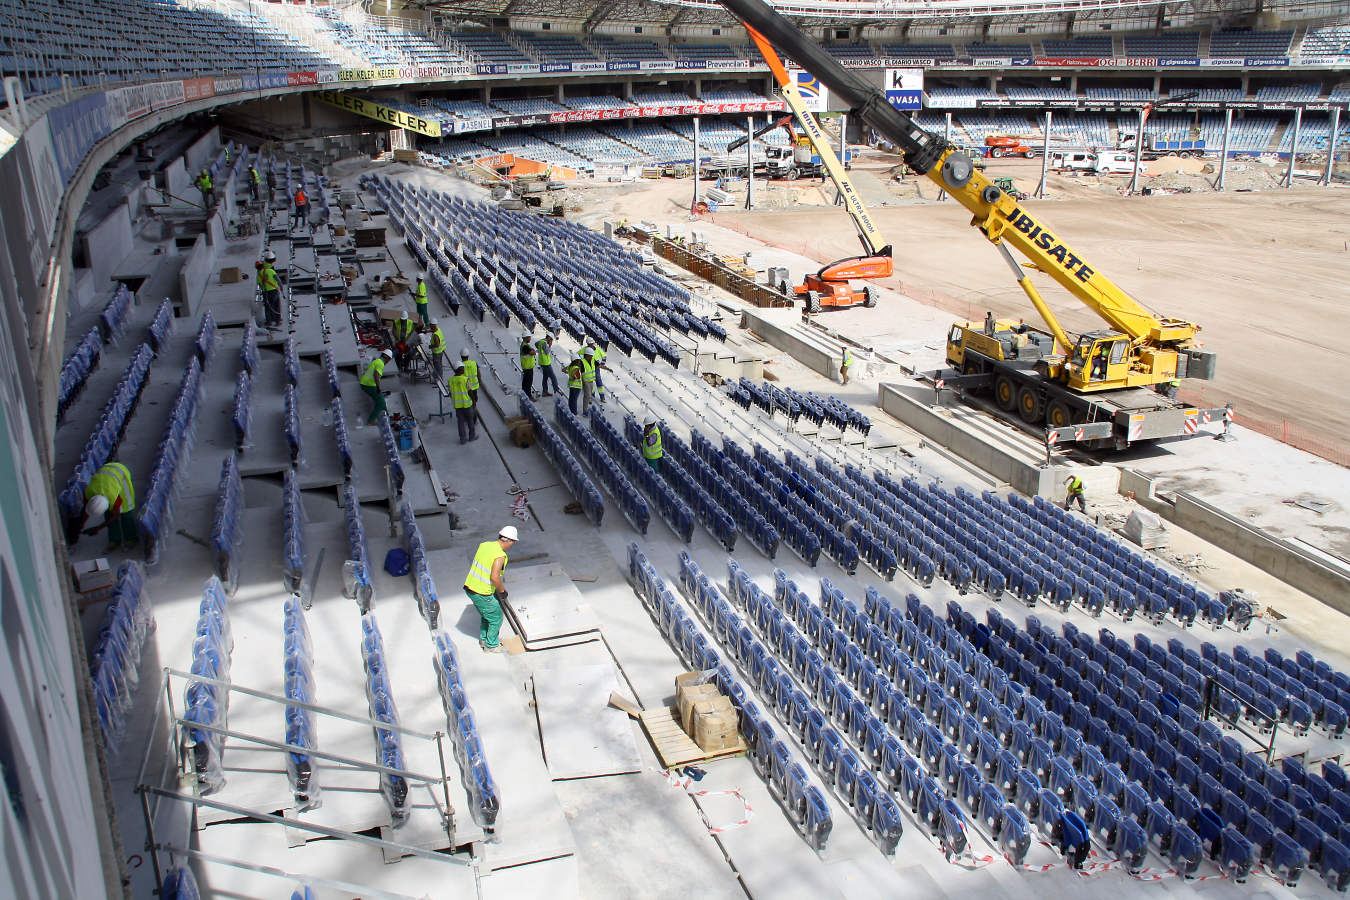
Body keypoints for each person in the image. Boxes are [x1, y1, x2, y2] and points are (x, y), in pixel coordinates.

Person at [463, 525, 518, 653]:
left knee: (487, 614)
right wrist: (502, 591)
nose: (512, 545)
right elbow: (494, 577)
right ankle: (491, 645)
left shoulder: (485, 545)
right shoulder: (500, 556)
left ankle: (484, 638)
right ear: (509, 541)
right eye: (513, 542)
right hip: (482, 592)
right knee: (496, 617)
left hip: (470, 586)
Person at [80, 461, 137, 551]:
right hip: (107, 473)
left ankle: (131, 539)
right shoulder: (89, 492)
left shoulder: (113, 497)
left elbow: (116, 516)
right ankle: (114, 540)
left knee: (126, 512)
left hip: (121, 474)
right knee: (108, 514)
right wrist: (81, 525)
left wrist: (98, 528)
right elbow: (86, 510)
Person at [360, 350, 393, 424]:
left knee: (381, 400)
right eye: (389, 360)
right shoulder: (381, 363)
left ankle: (387, 416)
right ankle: (371, 421)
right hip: (369, 385)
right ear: (387, 358)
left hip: (365, 383)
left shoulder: (377, 361)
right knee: (380, 403)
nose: (388, 362)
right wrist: (378, 387)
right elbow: (376, 375)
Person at [449, 364, 476, 444]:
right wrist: (473, 401)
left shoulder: (451, 380)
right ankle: (471, 437)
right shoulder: (465, 379)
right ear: (460, 370)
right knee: (470, 421)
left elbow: (451, 392)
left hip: (457, 405)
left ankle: (462, 439)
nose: (464, 370)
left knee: (460, 422)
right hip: (467, 404)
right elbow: (470, 391)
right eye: (463, 368)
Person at [257, 250, 281, 329]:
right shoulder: (271, 270)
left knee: (268, 306)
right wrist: (281, 288)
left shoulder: (259, 273)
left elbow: (260, 284)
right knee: (276, 306)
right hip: (274, 290)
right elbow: (278, 280)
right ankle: (277, 320)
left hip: (265, 292)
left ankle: (269, 321)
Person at [587, 338, 610, 404]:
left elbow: (604, 356)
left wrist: (602, 364)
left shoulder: (597, 349)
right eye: (589, 344)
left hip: (596, 368)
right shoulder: (585, 350)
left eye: (591, 344)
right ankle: (592, 397)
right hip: (589, 368)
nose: (590, 345)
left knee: (599, 382)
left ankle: (602, 397)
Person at [426, 319, 446, 383]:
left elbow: (437, 344)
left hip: (437, 353)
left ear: (432, 325)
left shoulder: (435, 335)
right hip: (441, 351)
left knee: (437, 366)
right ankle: (438, 377)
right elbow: (432, 330)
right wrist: (426, 331)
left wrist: (430, 346)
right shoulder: (438, 330)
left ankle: (439, 380)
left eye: (430, 325)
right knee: (439, 364)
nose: (429, 326)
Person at [580, 346, 597, 412]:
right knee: (587, 396)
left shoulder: (592, 360)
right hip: (585, 381)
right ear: (587, 355)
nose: (592, 357)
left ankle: (586, 409)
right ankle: (585, 411)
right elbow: (581, 372)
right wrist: (583, 381)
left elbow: (599, 365)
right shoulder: (582, 362)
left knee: (589, 395)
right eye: (591, 356)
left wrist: (608, 368)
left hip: (591, 381)